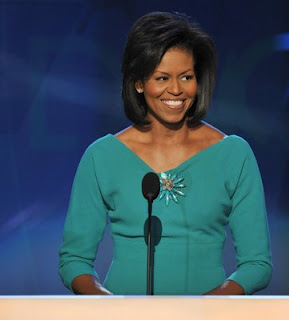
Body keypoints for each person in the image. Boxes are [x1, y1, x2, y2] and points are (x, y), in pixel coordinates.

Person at [58, 11, 272, 295]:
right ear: (138, 83)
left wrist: (205, 308)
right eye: (161, 78)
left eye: (186, 76)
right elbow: (74, 260)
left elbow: (257, 264)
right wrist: (109, 305)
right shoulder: (102, 156)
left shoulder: (234, 154)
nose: (175, 89)